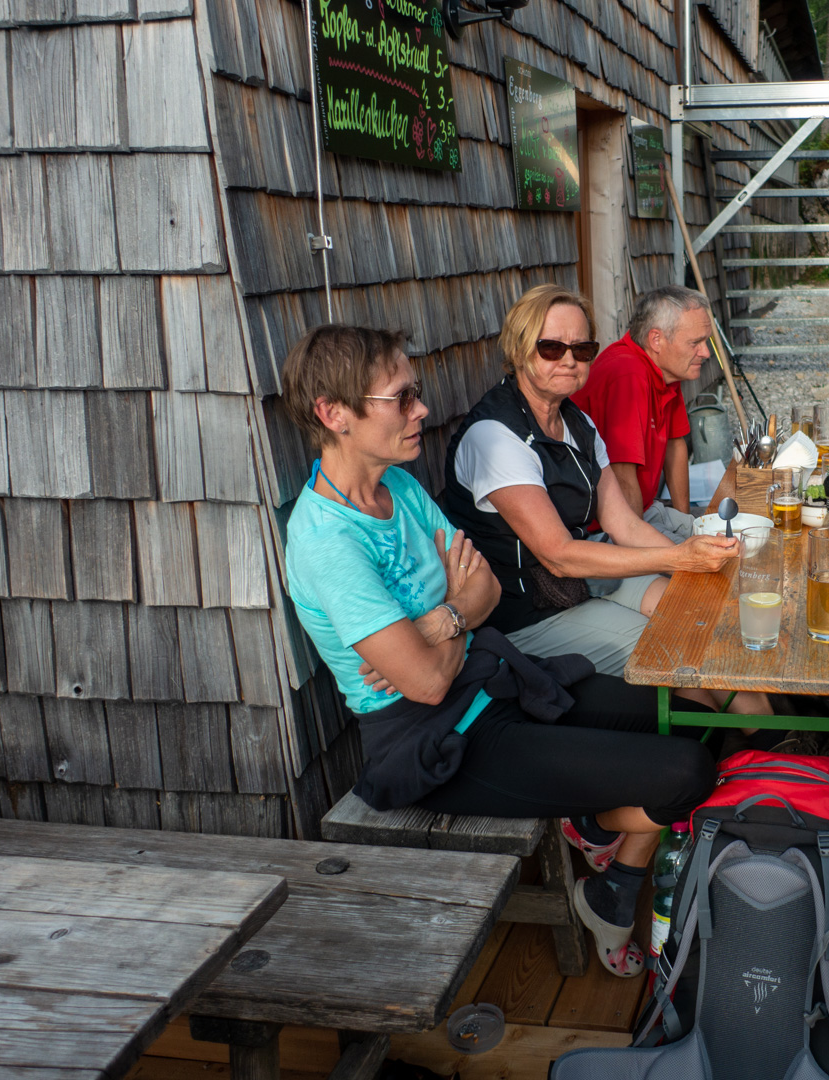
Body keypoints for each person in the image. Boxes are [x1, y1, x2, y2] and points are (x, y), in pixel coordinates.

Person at [280, 324, 717, 980]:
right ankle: (609, 864)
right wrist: (457, 613)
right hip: (436, 739)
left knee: (691, 715)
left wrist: (439, 621)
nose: (422, 409)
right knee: (687, 770)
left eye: (416, 393)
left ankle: (598, 838)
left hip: (494, 677)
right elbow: (427, 684)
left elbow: (482, 584)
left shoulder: (398, 490)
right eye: (401, 398)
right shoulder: (328, 543)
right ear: (334, 414)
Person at [439, 283, 771, 718]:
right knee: (677, 642)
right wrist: (679, 558)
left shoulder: (577, 422)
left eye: (582, 349)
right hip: (525, 611)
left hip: (582, 580)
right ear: (519, 349)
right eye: (552, 348)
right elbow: (559, 556)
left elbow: (624, 523)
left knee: (698, 613)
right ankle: (735, 741)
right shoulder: (495, 437)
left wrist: (689, 560)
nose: (569, 360)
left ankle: (775, 736)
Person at [571, 285, 710, 541]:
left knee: (721, 539)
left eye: (706, 341)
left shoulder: (667, 369)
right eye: (695, 343)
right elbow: (623, 476)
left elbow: (675, 445)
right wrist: (643, 554)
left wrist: (685, 522)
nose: (706, 352)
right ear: (656, 340)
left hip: (645, 510)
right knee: (707, 561)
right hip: (603, 529)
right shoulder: (628, 374)